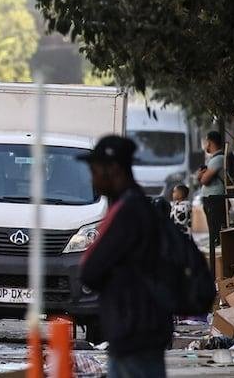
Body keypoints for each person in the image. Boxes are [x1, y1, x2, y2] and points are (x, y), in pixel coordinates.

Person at [79, 135, 172, 378]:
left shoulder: (128, 212)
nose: (93, 177)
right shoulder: (136, 206)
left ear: (114, 170)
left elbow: (90, 270)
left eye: (96, 170)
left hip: (135, 334)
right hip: (141, 331)